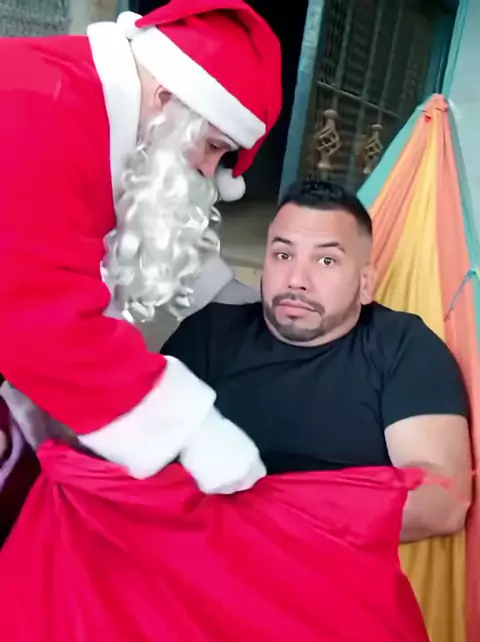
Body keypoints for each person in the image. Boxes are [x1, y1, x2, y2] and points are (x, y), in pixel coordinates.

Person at [0, 0, 282, 495]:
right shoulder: (42, 107)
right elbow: (40, 315)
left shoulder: (96, 110)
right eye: (213, 146)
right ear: (166, 98)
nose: (208, 170)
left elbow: (100, 235)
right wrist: (193, 432)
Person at [162, 179, 472, 541]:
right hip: (200, 554)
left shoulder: (402, 347)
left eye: (326, 260)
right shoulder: (210, 334)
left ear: (366, 283)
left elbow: (442, 501)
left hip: (326, 563)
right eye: (283, 255)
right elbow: (143, 451)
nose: (296, 280)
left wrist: (274, 516)